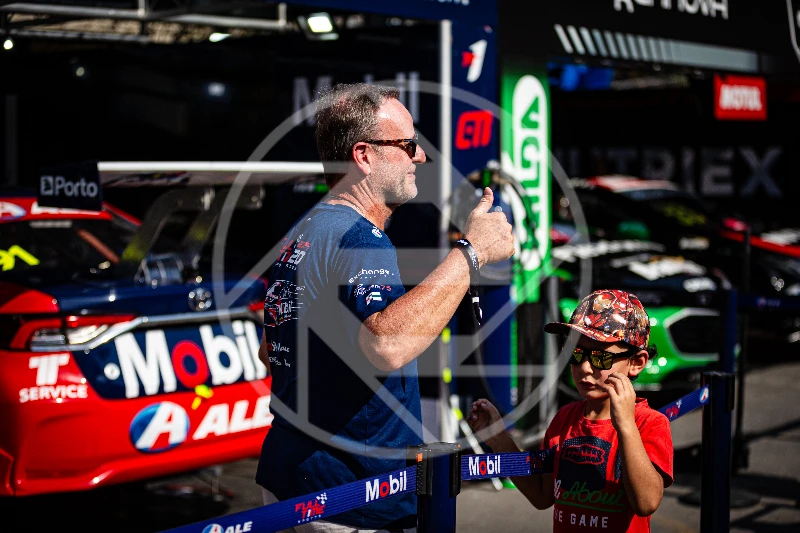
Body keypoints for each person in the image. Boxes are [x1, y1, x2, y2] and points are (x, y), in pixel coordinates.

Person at [256, 82, 515, 532]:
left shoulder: (308, 228)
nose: (420, 157)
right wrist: (471, 253)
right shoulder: (358, 236)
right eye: (408, 144)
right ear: (364, 155)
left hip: (297, 477)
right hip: (348, 496)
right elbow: (387, 343)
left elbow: (270, 347)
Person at [467, 289, 673, 533]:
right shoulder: (565, 418)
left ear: (636, 362)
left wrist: (625, 426)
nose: (584, 367)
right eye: (576, 352)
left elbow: (646, 503)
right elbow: (543, 495)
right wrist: (500, 440)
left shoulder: (649, 423)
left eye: (600, 358)